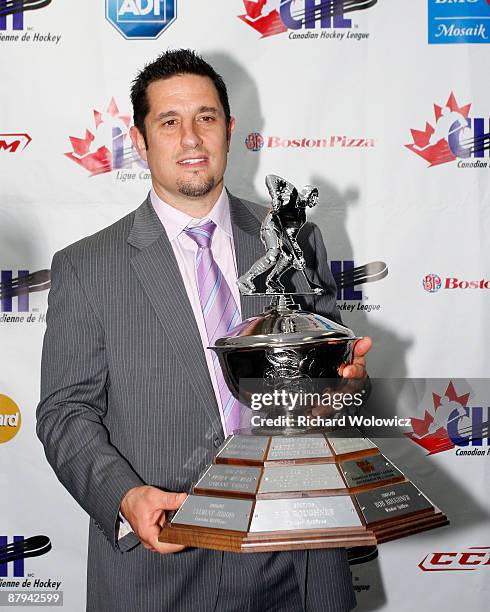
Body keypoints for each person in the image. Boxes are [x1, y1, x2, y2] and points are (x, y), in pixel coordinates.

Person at [37, 49, 372, 612]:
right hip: (163, 558)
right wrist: (125, 497)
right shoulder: (86, 267)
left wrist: (342, 387)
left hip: (297, 558)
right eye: (169, 122)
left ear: (230, 129)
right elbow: (65, 412)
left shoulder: (293, 242)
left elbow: (325, 394)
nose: (191, 138)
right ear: (141, 141)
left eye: (206, 117)